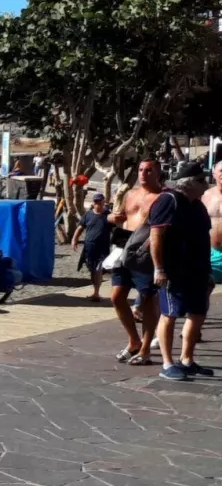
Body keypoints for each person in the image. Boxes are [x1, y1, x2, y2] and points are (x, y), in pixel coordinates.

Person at [150, 161, 213, 380]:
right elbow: (156, 236)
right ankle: (167, 364)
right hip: (174, 272)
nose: (206, 183)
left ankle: (187, 359)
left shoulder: (197, 204)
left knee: (197, 313)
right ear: (188, 184)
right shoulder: (168, 201)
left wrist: (207, 271)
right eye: (201, 180)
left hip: (198, 271)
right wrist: (159, 268)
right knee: (169, 314)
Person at [111, 158, 165, 365]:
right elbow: (123, 217)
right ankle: (133, 340)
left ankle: (145, 348)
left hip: (146, 251)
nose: (143, 173)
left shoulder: (162, 197)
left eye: (149, 170)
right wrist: (113, 218)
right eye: (141, 169)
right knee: (117, 296)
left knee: (148, 299)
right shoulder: (130, 194)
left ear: (158, 173)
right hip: (125, 248)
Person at [72, 192, 112, 301]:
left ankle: (97, 293)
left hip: (103, 247)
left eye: (100, 201)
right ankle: (96, 292)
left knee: (98, 268)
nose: (98, 204)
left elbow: (117, 229)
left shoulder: (108, 216)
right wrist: (74, 239)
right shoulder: (88, 215)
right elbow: (80, 228)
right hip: (89, 247)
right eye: (96, 202)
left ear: (103, 202)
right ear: (93, 203)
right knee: (93, 269)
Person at [204, 163, 222, 286]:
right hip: (211, 254)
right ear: (214, 174)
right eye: (221, 171)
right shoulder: (205, 196)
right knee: (205, 290)